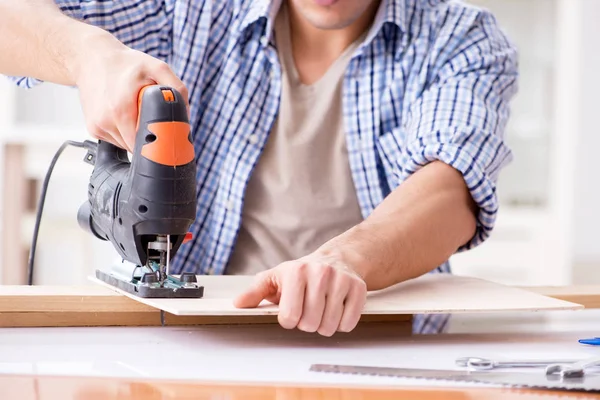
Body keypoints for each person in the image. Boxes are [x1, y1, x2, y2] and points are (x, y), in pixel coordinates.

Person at [0, 0, 518, 337]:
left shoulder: (462, 39)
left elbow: (451, 190)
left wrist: (344, 260)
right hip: (195, 343)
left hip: (386, 351)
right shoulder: (192, 10)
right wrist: (86, 51)